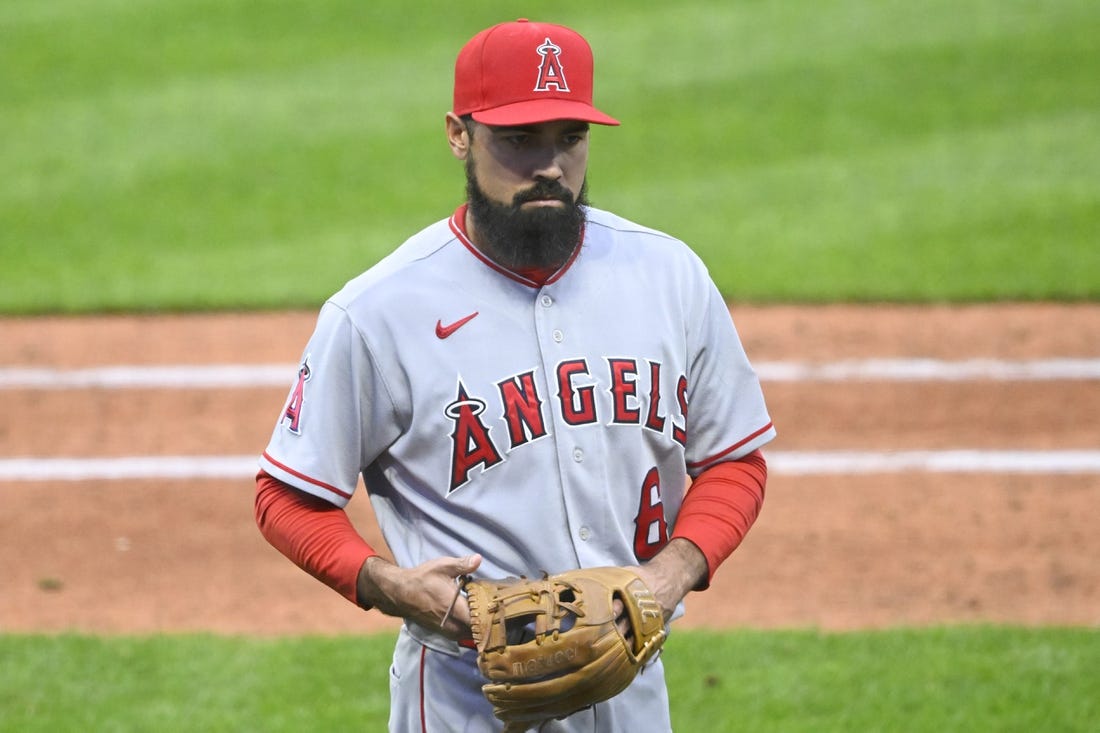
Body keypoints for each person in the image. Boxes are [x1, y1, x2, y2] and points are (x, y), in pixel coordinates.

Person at [255, 18, 775, 732]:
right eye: (519, 139)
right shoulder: (379, 312)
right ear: (457, 134)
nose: (550, 166)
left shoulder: (668, 276)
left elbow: (733, 458)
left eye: (570, 138)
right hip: (468, 698)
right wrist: (393, 585)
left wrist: (668, 576)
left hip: (636, 687)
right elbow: (286, 495)